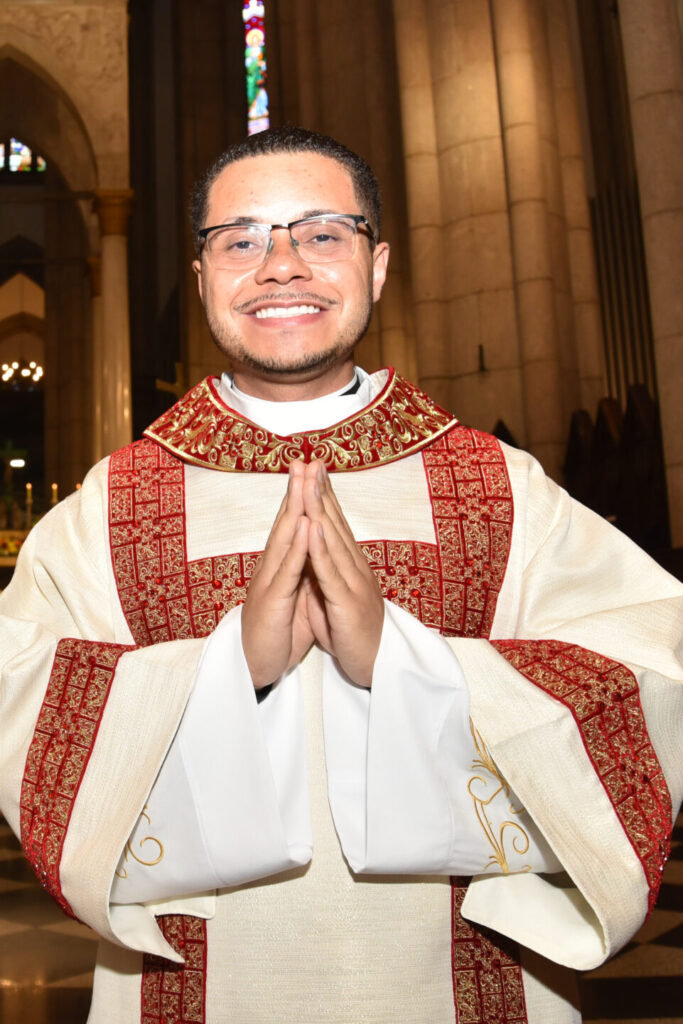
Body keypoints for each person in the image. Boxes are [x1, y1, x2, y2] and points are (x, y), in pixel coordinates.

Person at [0, 126, 681, 1024]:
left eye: (321, 234)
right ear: (203, 276)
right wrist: (229, 667)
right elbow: (19, 693)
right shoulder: (114, 504)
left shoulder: (494, 488)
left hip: (470, 985)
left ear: (378, 263)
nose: (281, 264)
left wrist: (399, 663)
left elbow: (651, 669)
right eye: (240, 240)